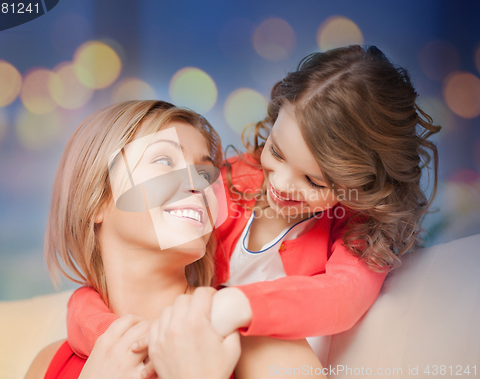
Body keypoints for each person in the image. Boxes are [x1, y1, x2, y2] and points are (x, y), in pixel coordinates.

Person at [66, 45, 441, 376]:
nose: (280, 183)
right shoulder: (235, 181)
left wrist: (233, 305)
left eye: (314, 181)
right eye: (276, 152)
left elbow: (342, 297)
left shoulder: (356, 232)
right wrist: (126, 341)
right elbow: (95, 290)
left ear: (363, 187)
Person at [24, 100, 325, 379]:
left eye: (205, 172)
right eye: (165, 161)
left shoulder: (260, 338)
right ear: (96, 201)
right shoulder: (48, 364)